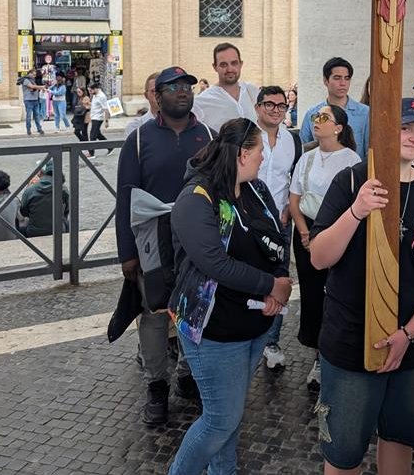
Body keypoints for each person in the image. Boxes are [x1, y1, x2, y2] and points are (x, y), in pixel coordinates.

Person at [309, 98, 414, 475]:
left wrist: (410, 333)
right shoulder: (350, 180)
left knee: (399, 439)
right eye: (405, 127)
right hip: (350, 341)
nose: (413, 137)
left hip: (407, 346)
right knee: (343, 454)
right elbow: (319, 257)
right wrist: (356, 211)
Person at [166, 119, 291, 475]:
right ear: (241, 153)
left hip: (255, 323)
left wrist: (279, 280)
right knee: (220, 420)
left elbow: (278, 240)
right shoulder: (196, 198)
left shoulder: (256, 189)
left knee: (231, 415)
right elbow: (214, 263)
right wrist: (270, 286)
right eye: (259, 150)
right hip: (213, 330)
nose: (264, 157)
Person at [116, 66, 214, 426]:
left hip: (195, 238)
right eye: (173, 88)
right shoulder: (138, 140)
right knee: (154, 314)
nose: (183, 93)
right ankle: (157, 383)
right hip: (152, 240)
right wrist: (127, 252)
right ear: (158, 97)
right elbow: (125, 198)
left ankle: (189, 373)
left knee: (195, 308)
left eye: (187, 86)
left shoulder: (207, 136)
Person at [289, 103, 361, 388]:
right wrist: (305, 232)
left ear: (339, 128)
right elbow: (295, 198)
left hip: (337, 233)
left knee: (335, 292)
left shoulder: (351, 159)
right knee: (311, 293)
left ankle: (331, 354)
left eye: (324, 118)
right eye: (316, 117)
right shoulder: (306, 158)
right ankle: (316, 354)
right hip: (306, 231)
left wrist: (325, 235)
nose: (317, 122)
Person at [253, 85, 303, 371]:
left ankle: (271, 341)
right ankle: (246, 333)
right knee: (247, 274)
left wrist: (288, 209)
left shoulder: (291, 141)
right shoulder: (247, 136)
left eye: (280, 105)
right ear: (258, 107)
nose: (275, 109)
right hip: (250, 220)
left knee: (279, 278)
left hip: (281, 223)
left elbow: (293, 177)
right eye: (269, 104)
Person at [300, 57, 371, 158]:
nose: (343, 83)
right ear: (325, 81)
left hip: (354, 170)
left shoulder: (365, 113)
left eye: (347, 78)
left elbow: (370, 152)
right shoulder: (312, 113)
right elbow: (304, 150)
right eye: (337, 78)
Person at [192, 43, 261, 128]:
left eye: (234, 63)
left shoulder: (252, 91)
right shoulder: (202, 101)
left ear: (241, 64)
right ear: (215, 67)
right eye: (223, 65)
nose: (230, 69)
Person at [18, 160, 69, 237]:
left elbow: (24, 212)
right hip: (58, 230)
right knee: (68, 223)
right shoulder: (63, 189)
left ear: (40, 173)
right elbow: (67, 210)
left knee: (19, 226)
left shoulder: (30, 190)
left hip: (33, 232)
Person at [124, 71, 161, 138]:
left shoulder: (180, 125)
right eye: (154, 91)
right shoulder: (135, 127)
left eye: (164, 90)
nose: (159, 94)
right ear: (146, 95)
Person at [87, 82, 110, 158]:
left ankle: (91, 153)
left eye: (90, 91)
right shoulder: (95, 94)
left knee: (92, 135)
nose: (90, 93)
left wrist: (106, 121)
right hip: (94, 117)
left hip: (98, 118)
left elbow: (106, 109)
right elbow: (95, 106)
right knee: (98, 135)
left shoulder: (101, 96)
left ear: (95, 89)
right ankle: (110, 146)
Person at [19, 70, 46, 136]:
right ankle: (28, 130)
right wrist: (41, 87)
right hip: (28, 100)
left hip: (35, 100)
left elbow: (34, 88)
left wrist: (39, 88)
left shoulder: (33, 81)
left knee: (37, 115)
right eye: (33, 74)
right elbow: (32, 87)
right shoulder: (26, 80)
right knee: (29, 116)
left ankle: (39, 129)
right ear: (29, 74)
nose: (34, 76)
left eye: (35, 75)